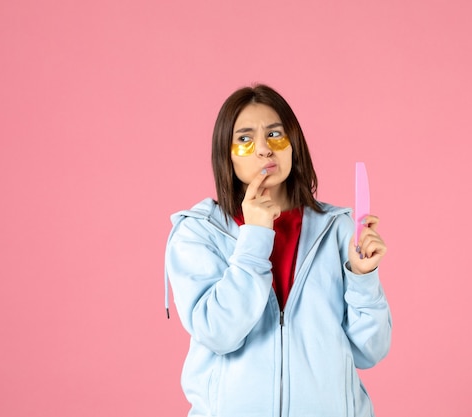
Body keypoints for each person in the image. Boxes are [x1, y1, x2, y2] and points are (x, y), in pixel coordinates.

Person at [164, 84, 392, 417]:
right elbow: (218, 333)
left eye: (275, 134)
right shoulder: (198, 232)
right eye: (244, 139)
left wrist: (363, 277)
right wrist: (255, 236)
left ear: (293, 145)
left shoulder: (339, 230)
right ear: (225, 154)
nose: (263, 150)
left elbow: (370, 350)